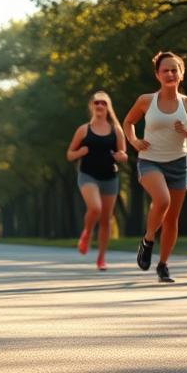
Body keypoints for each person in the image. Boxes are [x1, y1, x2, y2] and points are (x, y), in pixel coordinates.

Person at [123, 52, 187, 284]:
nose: (170, 74)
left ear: (181, 74)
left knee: (171, 220)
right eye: (165, 70)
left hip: (179, 162)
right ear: (157, 75)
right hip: (150, 159)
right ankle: (148, 239)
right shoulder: (146, 100)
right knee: (162, 200)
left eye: (174, 70)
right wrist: (133, 141)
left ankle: (163, 265)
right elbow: (128, 122)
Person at [66, 92, 129, 271]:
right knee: (95, 208)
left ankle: (101, 258)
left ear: (108, 107)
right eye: (96, 103)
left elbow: (123, 154)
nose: (100, 105)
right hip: (87, 175)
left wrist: (120, 156)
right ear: (92, 106)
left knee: (105, 220)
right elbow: (69, 154)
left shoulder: (116, 130)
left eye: (103, 103)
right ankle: (86, 233)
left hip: (109, 176)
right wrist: (80, 152)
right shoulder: (83, 130)